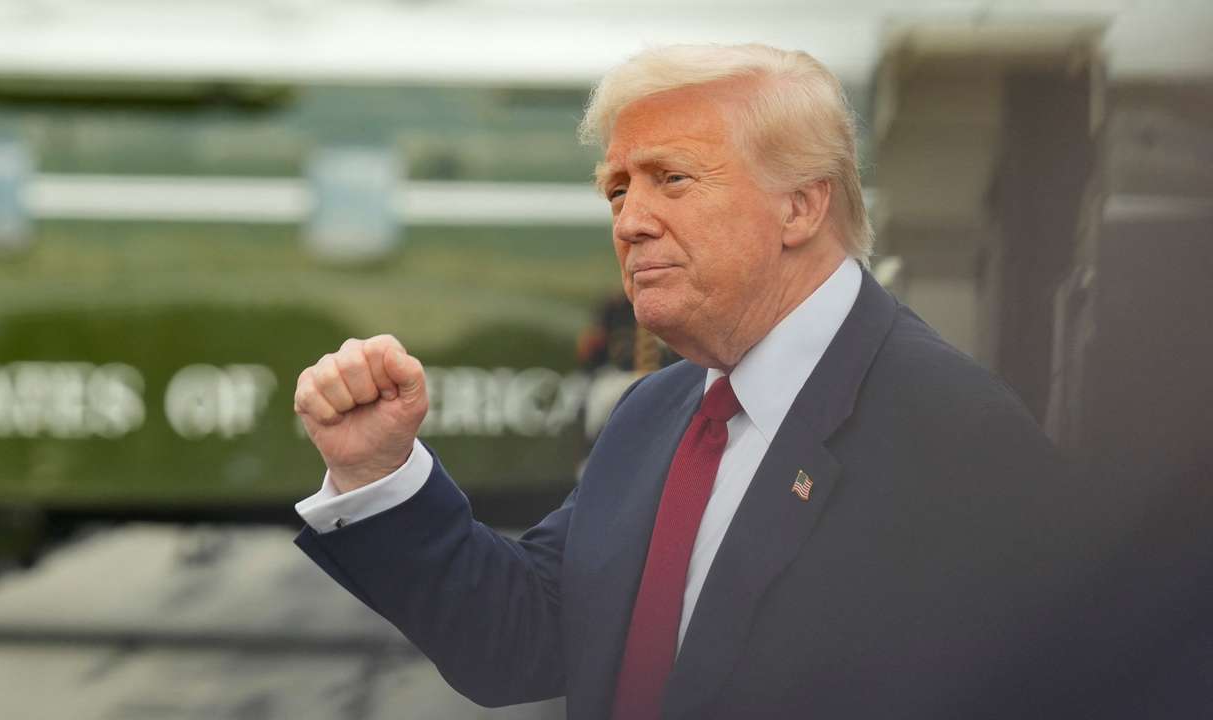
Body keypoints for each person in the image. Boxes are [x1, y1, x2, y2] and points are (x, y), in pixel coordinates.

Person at [291, 45, 1095, 719]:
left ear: (801, 208)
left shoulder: (953, 433)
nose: (630, 219)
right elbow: (529, 638)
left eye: (671, 179)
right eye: (617, 188)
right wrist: (377, 472)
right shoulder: (657, 412)